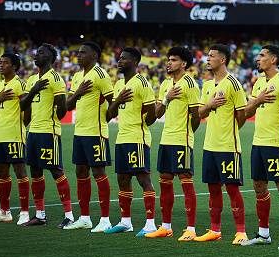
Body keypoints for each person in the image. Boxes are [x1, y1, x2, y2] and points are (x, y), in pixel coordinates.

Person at [241, 45, 279, 250]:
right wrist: (258, 100)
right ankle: (263, 233)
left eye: (262, 55)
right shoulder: (258, 82)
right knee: (259, 186)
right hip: (258, 142)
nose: (258, 59)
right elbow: (247, 109)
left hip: (275, 144)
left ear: (273, 59)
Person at [193, 44, 248, 245]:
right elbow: (200, 113)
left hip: (227, 146)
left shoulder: (233, 83)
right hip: (209, 146)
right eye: (207, 55)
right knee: (213, 189)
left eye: (211, 56)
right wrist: (210, 105)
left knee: (232, 189)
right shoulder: (207, 85)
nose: (207, 59)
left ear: (222, 59)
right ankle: (214, 230)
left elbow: (242, 114)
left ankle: (241, 232)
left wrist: (229, 132)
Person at [145, 47, 201, 241]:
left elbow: (196, 116)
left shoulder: (190, 84)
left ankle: (191, 229)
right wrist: (167, 98)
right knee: (165, 180)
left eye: (174, 60)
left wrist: (187, 136)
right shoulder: (166, 84)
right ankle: (166, 226)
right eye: (168, 59)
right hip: (166, 140)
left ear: (183, 64)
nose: (169, 62)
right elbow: (158, 113)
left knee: (186, 182)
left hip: (182, 141)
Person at [104, 48, 157, 237]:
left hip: (137, 138)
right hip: (121, 139)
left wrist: (142, 123)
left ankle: (150, 224)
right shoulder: (118, 84)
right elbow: (109, 115)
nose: (119, 61)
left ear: (135, 61)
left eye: (124, 58)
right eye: (119, 58)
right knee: (123, 179)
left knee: (143, 179)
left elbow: (153, 114)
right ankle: (126, 222)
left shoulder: (142, 83)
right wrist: (117, 101)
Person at [19, 44, 74, 228]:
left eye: (41, 52)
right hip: (33, 132)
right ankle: (40, 215)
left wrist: (53, 120)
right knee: (35, 172)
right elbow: (23, 104)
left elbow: (62, 110)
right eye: (36, 51)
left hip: (48, 132)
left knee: (55, 170)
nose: (37, 54)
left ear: (50, 57)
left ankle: (69, 215)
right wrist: (34, 90)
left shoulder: (56, 78)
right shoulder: (32, 79)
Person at [63, 42, 114, 232]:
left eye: (83, 53)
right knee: (81, 173)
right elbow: (68, 106)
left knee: (99, 174)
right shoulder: (76, 77)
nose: (78, 55)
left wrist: (102, 123)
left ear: (94, 55)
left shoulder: (101, 75)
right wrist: (77, 93)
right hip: (80, 133)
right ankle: (84, 218)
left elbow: (113, 104)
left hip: (96, 134)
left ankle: (105, 219)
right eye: (77, 52)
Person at [0, 53, 30, 225]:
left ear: (15, 66)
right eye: (0, 62)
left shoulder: (20, 84)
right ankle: (5, 211)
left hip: (14, 135)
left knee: (20, 171)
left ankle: (24, 212)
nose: (1, 65)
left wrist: (20, 128)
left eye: (5, 62)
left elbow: (28, 111)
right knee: (1, 172)